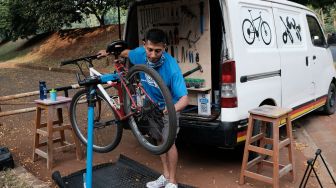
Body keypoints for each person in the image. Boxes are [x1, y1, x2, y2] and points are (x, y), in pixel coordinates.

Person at [98, 28, 188, 188]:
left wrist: (169, 111)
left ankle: (172, 181)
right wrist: (108, 52)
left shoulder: (172, 67)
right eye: (150, 50)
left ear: (165, 48)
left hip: (170, 107)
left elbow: (184, 99)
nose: (153, 55)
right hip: (151, 106)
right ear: (144, 45)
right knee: (159, 139)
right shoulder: (140, 54)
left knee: (169, 143)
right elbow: (126, 53)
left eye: (158, 51)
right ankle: (165, 175)